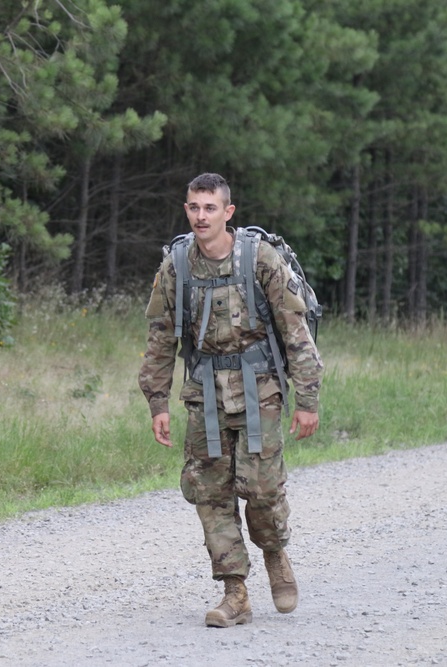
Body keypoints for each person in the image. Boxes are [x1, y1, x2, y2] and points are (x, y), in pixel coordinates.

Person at [138, 173, 323, 628]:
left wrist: (308, 399)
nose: (201, 216)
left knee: (261, 489)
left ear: (228, 212)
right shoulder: (176, 266)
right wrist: (157, 402)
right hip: (204, 395)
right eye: (194, 208)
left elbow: (294, 331)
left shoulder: (259, 259)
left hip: (261, 391)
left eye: (210, 208)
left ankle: (275, 552)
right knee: (210, 493)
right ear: (187, 211)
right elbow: (161, 338)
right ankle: (234, 592)